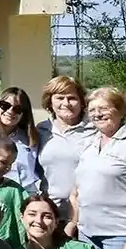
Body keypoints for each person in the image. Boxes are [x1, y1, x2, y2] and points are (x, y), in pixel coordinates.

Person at [71, 86, 126, 249]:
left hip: (119, 234)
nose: (97, 114)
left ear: (120, 110)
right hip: (87, 234)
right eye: (92, 109)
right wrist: (75, 221)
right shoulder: (90, 143)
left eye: (103, 108)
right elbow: (78, 188)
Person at [38, 74, 92, 222]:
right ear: (50, 102)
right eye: (60, 98)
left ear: (82, 102)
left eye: (72, 98)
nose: (66, 103)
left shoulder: (94, 129)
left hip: (87, 213)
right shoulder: (41, 130)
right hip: (51, 213)